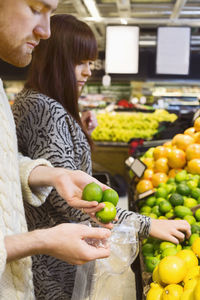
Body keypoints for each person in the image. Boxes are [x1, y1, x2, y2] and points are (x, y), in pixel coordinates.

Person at [12, 14, 191, 300]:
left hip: (47, 251)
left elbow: (50, 164)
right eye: (79, 62)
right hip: (52, 262)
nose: (87, 72)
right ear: (56, 59)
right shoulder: (45, 108)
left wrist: (76, 131)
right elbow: (73, 203)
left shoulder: (30, 100)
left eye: (90, 63)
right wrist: (147, 224)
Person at [0, 1, 113, 299]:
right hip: (48, 267)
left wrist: (50, 173)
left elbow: (6, 163)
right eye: (36, 8)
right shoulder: (44, 107)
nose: (45, 31)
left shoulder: (22, 97)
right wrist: (41, 240)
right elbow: (73, 205)